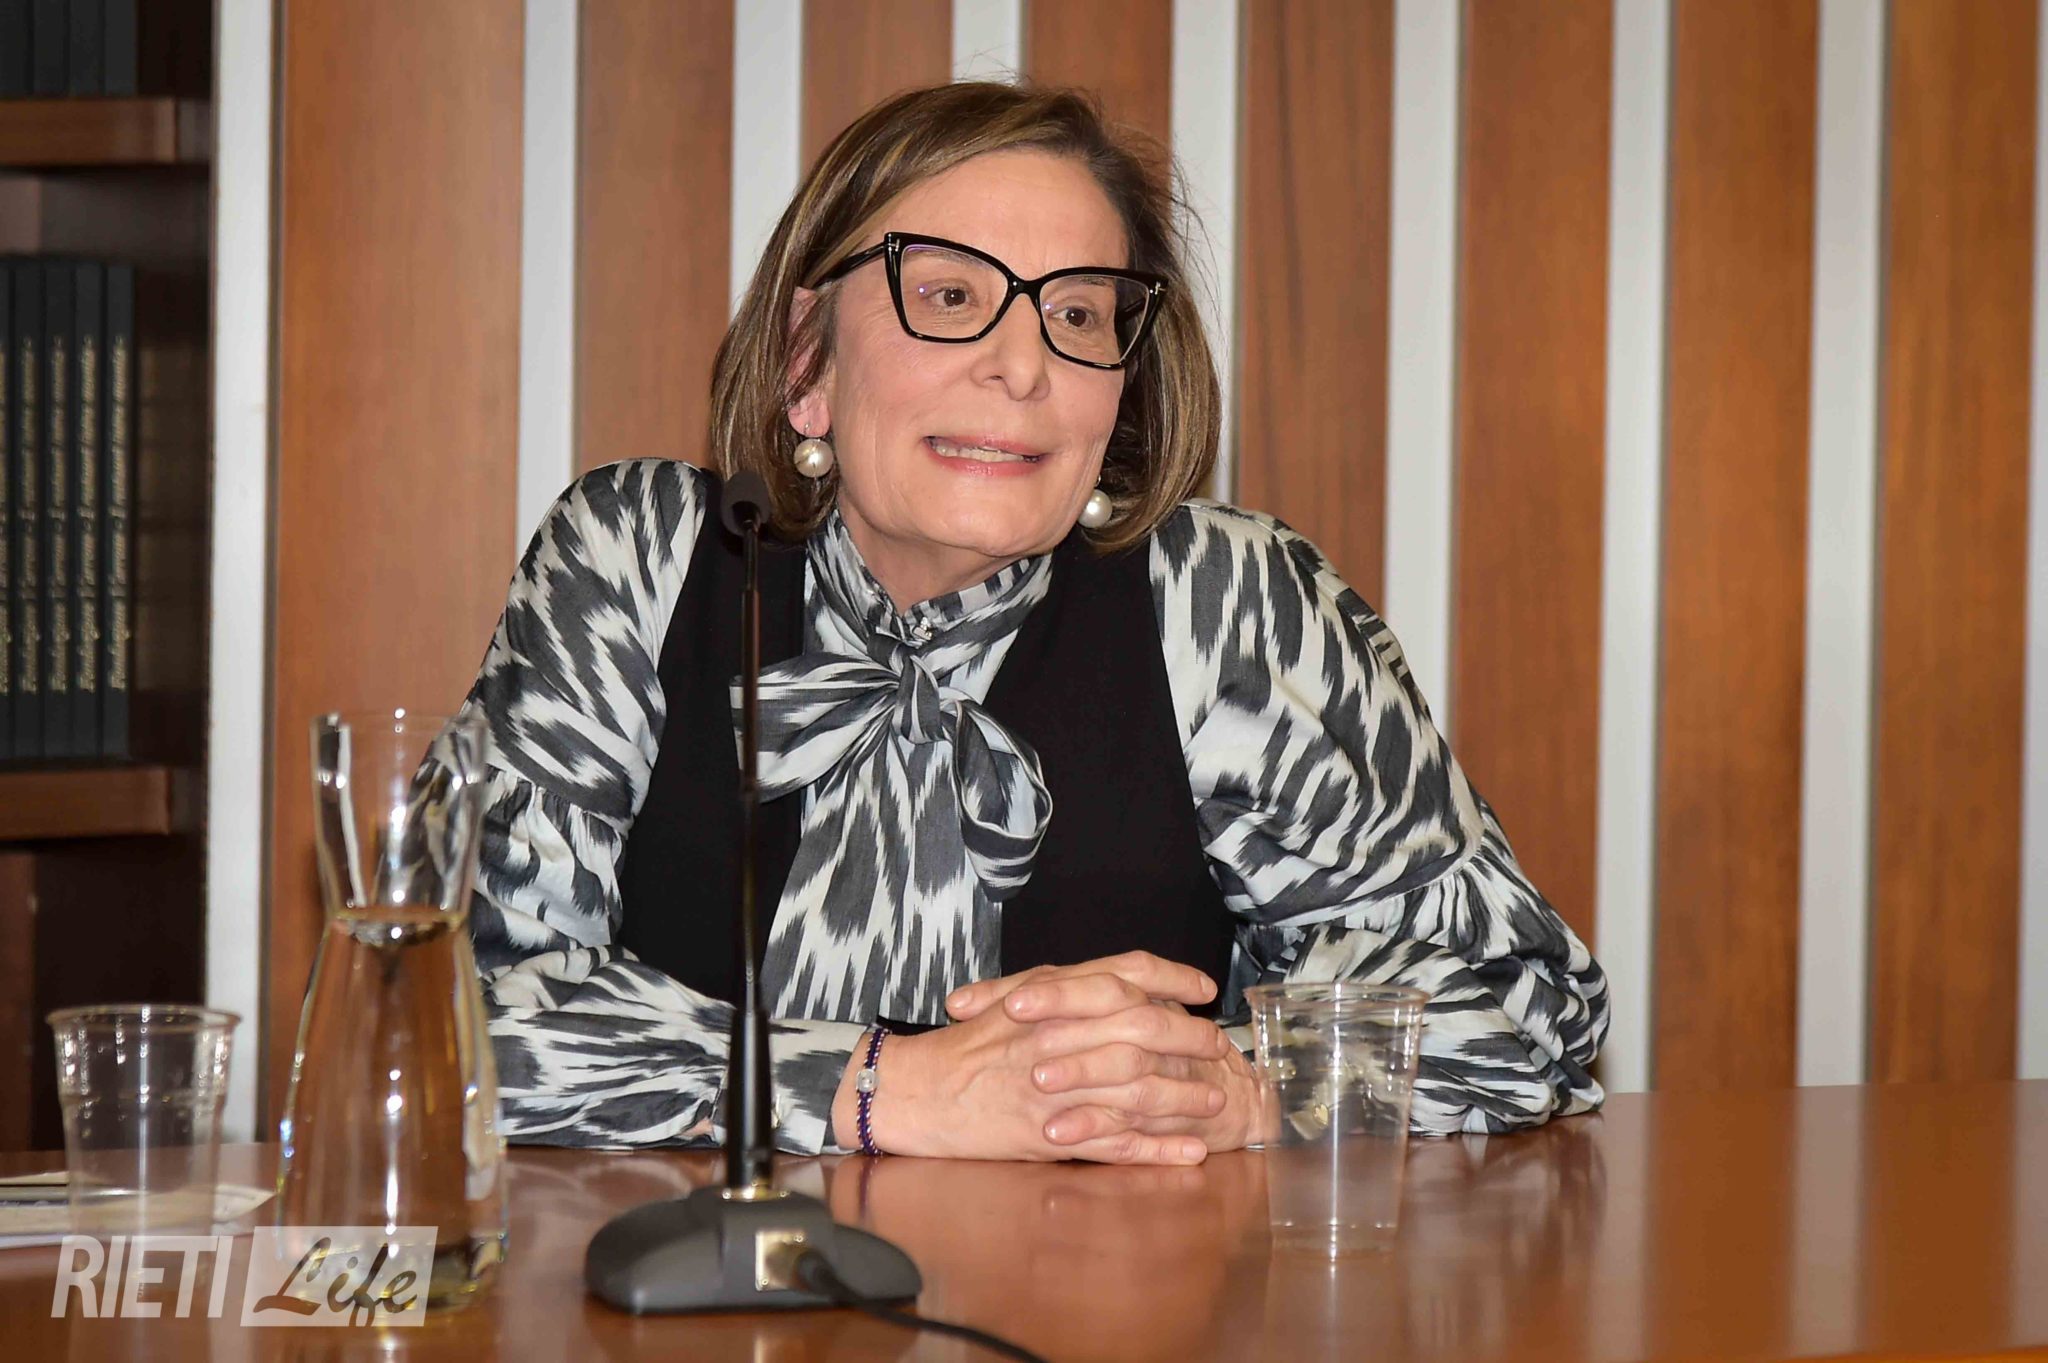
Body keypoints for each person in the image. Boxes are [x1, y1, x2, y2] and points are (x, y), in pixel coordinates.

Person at [461, 81, 1608, 1167]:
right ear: (807, 357)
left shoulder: (1226, 601)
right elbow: (448, 1004)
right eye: (949, 296)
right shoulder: (638, 555)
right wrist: (884, 1087)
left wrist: (1243, 1086)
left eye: (1075, 313)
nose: (1021, 367)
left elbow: (1523, 1002)